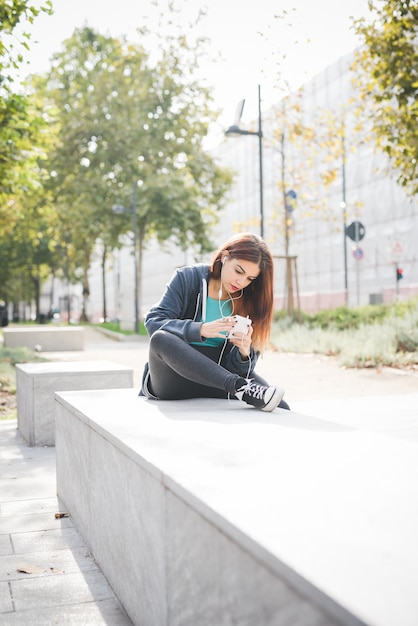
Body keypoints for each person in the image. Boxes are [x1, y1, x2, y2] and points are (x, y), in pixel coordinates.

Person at [140, 232, 289, 412]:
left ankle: (239, 387)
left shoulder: (251, 299)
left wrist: (244, 352)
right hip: (174, 380)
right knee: (160, 339)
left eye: (250, 278)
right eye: (239, 271)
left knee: (281, 407)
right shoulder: (188, 278)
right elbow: (154, 321)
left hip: (219, 381)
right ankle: (239, 387)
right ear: (225, 257)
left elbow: (243, 368)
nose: (241, 282)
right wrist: (200, 329)